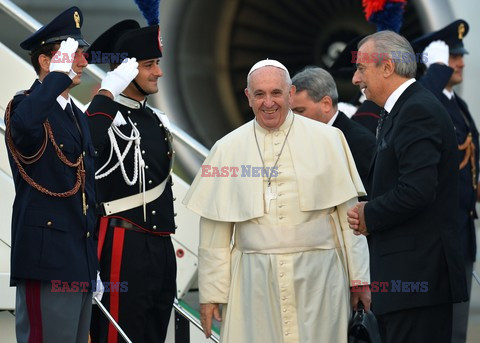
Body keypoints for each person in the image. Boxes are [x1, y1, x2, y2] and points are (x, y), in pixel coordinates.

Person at [183, 59, 371, 342]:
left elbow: (350, 220)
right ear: (248, 97)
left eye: (276, 93)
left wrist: (359, 280)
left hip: (319, 279)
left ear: (291, 94)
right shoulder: (227, 149)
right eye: (259, 94)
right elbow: (214, 234)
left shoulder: (330, 140)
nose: (268, 103)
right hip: (253, 282)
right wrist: (211, 294)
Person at [347, 31, 468, 343]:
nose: (356, 79)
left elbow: (417, 190)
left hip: (418, 281)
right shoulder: (400, 111)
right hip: (406, 284)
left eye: (362, 68)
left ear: (387, 67)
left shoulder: (417, 110)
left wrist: (367, 214)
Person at [4, 7, 103, 342]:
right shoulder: (26, 105)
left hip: (78, 258)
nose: (82, 63)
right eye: (72, 55)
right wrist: (57, 78)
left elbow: (88, 192)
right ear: (47, 62)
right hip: (47, 260)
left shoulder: (76, 115)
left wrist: (93, 267)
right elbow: (26, 127)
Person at [85, 20, 177, 342]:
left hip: (161, 246)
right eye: (149, 64)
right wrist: (106, 95)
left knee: (155, 331)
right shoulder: (104, 119)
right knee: (119, 334)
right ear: (125, 69)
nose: (158, 72)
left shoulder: (155, 119)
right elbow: (84, 151)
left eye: (157, 63)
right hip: (123, 245)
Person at [412, 20, 478, 343]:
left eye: (460, 56)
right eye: (452, 57)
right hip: (437, 239)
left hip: (462, 233)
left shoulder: (460, 105)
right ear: (435, 62)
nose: (461, 62)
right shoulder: (429, 101)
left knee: (457, 329)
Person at [291, 66, 376, 189]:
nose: (293, 118)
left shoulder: (360, 143)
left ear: (326, 104)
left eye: (300, 110)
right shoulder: (296, 137)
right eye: (290, 112)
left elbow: (366, 198)